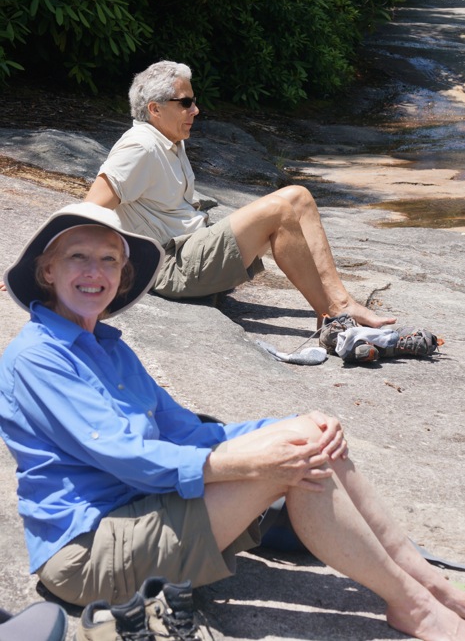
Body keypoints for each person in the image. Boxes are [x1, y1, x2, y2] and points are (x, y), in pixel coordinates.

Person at [0, 201, 464, 641]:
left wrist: (286, 427)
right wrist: (257, 461)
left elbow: (185, 430)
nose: (94, 272)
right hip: (87, 553)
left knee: (308, 440)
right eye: (78, 257)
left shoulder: (111, 349)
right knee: (294, 462)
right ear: (47, 270)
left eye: (108, 259)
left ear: (121, 275)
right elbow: (127, 457)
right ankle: (416, 608)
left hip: (141, 512)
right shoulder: (39, 358)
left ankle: (430, 585)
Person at [85, 60, 396, 330]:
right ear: (155, 109)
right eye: (185, 103)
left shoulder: (168, 140)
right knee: (277, 210)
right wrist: (110, 276)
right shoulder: (139, 146)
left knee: (298, 197)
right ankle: (333, 314)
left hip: (193, 251)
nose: (195, 109)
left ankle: (340, 302)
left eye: (193, 101)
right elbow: (91, 210)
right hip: (171, 269)